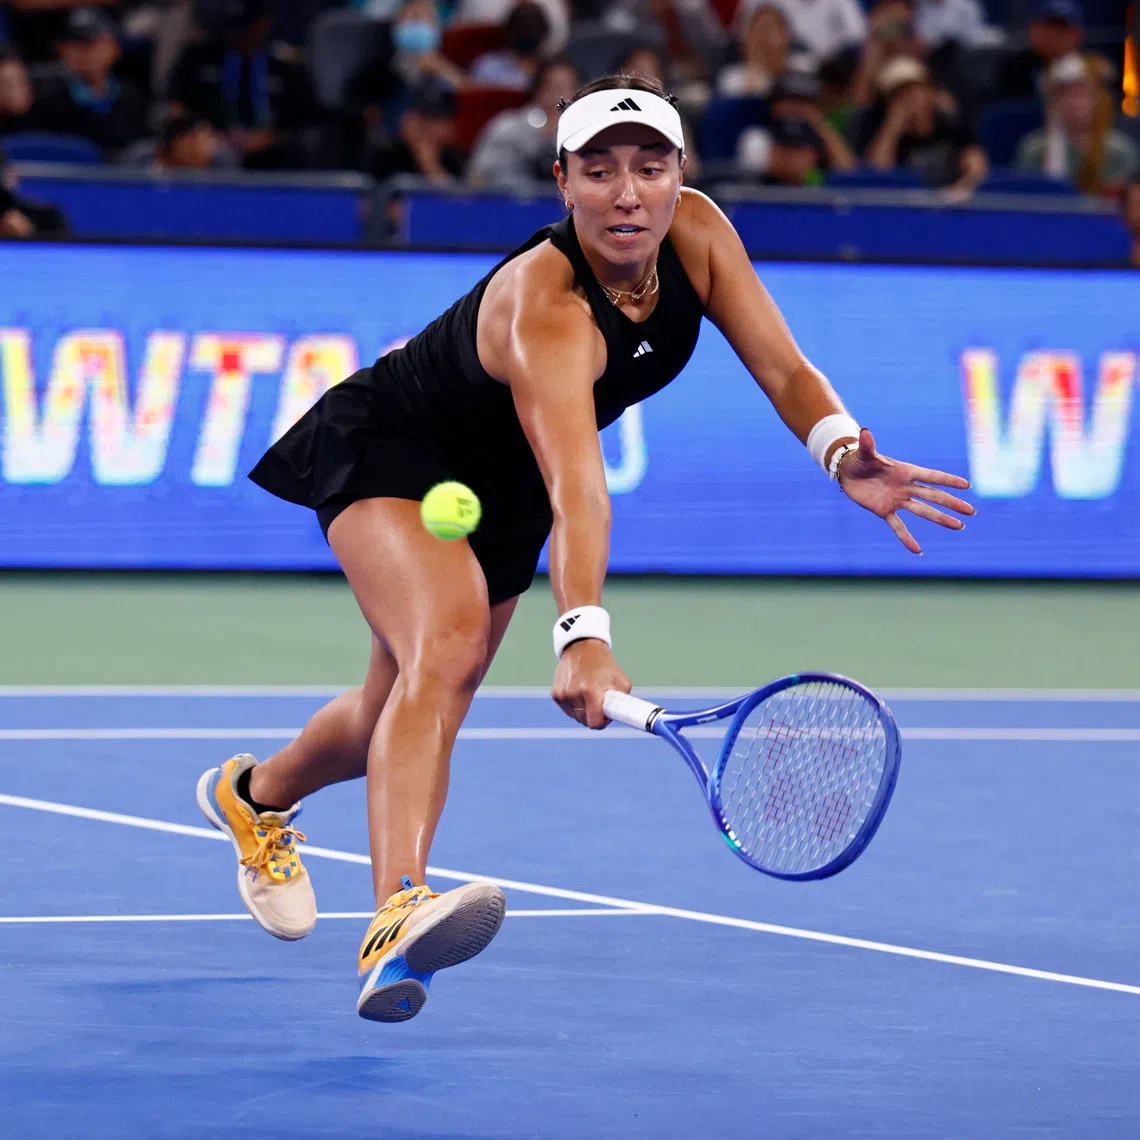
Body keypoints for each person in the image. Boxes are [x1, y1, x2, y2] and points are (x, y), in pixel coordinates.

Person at [197, 72, 974, 1024]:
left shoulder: (699, 235)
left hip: (509, 487)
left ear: (680, 174)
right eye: (599, 171)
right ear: (563, 182)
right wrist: (582, 635)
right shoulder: (549, 303)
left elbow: (783, 367)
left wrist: (841, 450)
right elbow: (579, 487)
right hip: (398, 449)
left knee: (385, 716)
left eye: (650, 168)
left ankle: (254, 795)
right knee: (443, 650)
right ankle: (398, 911)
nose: (627, 193)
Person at [165, 0, 318, 170]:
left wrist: (269, 137)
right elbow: (176, 107)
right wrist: (203, 136)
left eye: (247, 26)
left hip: (272, 152)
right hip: (208, 149)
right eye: (234, 26)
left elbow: (308, 119)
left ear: (264, 23)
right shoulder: (196, 58)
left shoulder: (285, 65)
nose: (238, 34)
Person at [1014, 52, 1139, 197]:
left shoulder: (1121, 151)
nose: (1074, 103)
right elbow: (1024, 199)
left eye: (1083, 95)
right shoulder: (1033, 149)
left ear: (1100, 101)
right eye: (1066, 95)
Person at [858, 56, 987, 195]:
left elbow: (976, 168)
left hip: (948, 203)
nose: (907, 99)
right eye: (897, 95)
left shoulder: (952, 129)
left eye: (913, 90)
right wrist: (892, 126)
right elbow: (875, 177)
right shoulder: (882, 134)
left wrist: (957, 192)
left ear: (930, 92)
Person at [31, 7, 150, 157]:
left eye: (93, 43)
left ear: (115, 48)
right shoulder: (42, 95)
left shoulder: (131, 95)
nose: (84, 52)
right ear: (61, 49)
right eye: (75, 43)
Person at [467, 57, 577, 190]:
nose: (561, 96)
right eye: (555, 88)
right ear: (538, 90)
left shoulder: (582, 133)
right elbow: (481, 175)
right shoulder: (508, 127)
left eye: (568, 88)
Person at [736, 68, 857, 181]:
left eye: (802, 102)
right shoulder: (758, 135)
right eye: (788, 101)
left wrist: (818, 122)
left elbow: (848, 170)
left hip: (807, 195)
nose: (795, 108)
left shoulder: (817, 134)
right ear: (774, 104)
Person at [469, 0, 550, 90]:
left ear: (544, 32)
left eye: (533, 29)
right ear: (508, 31)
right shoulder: (488, 67)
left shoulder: (552, 73)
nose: (527, 34)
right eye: (521, 29)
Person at [716, 3, 793, 98]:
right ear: (745, 43)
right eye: (759, 31)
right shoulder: (731, 80)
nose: (765, 39)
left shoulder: (800, 71)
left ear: (786, 39)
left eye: (770, 30)